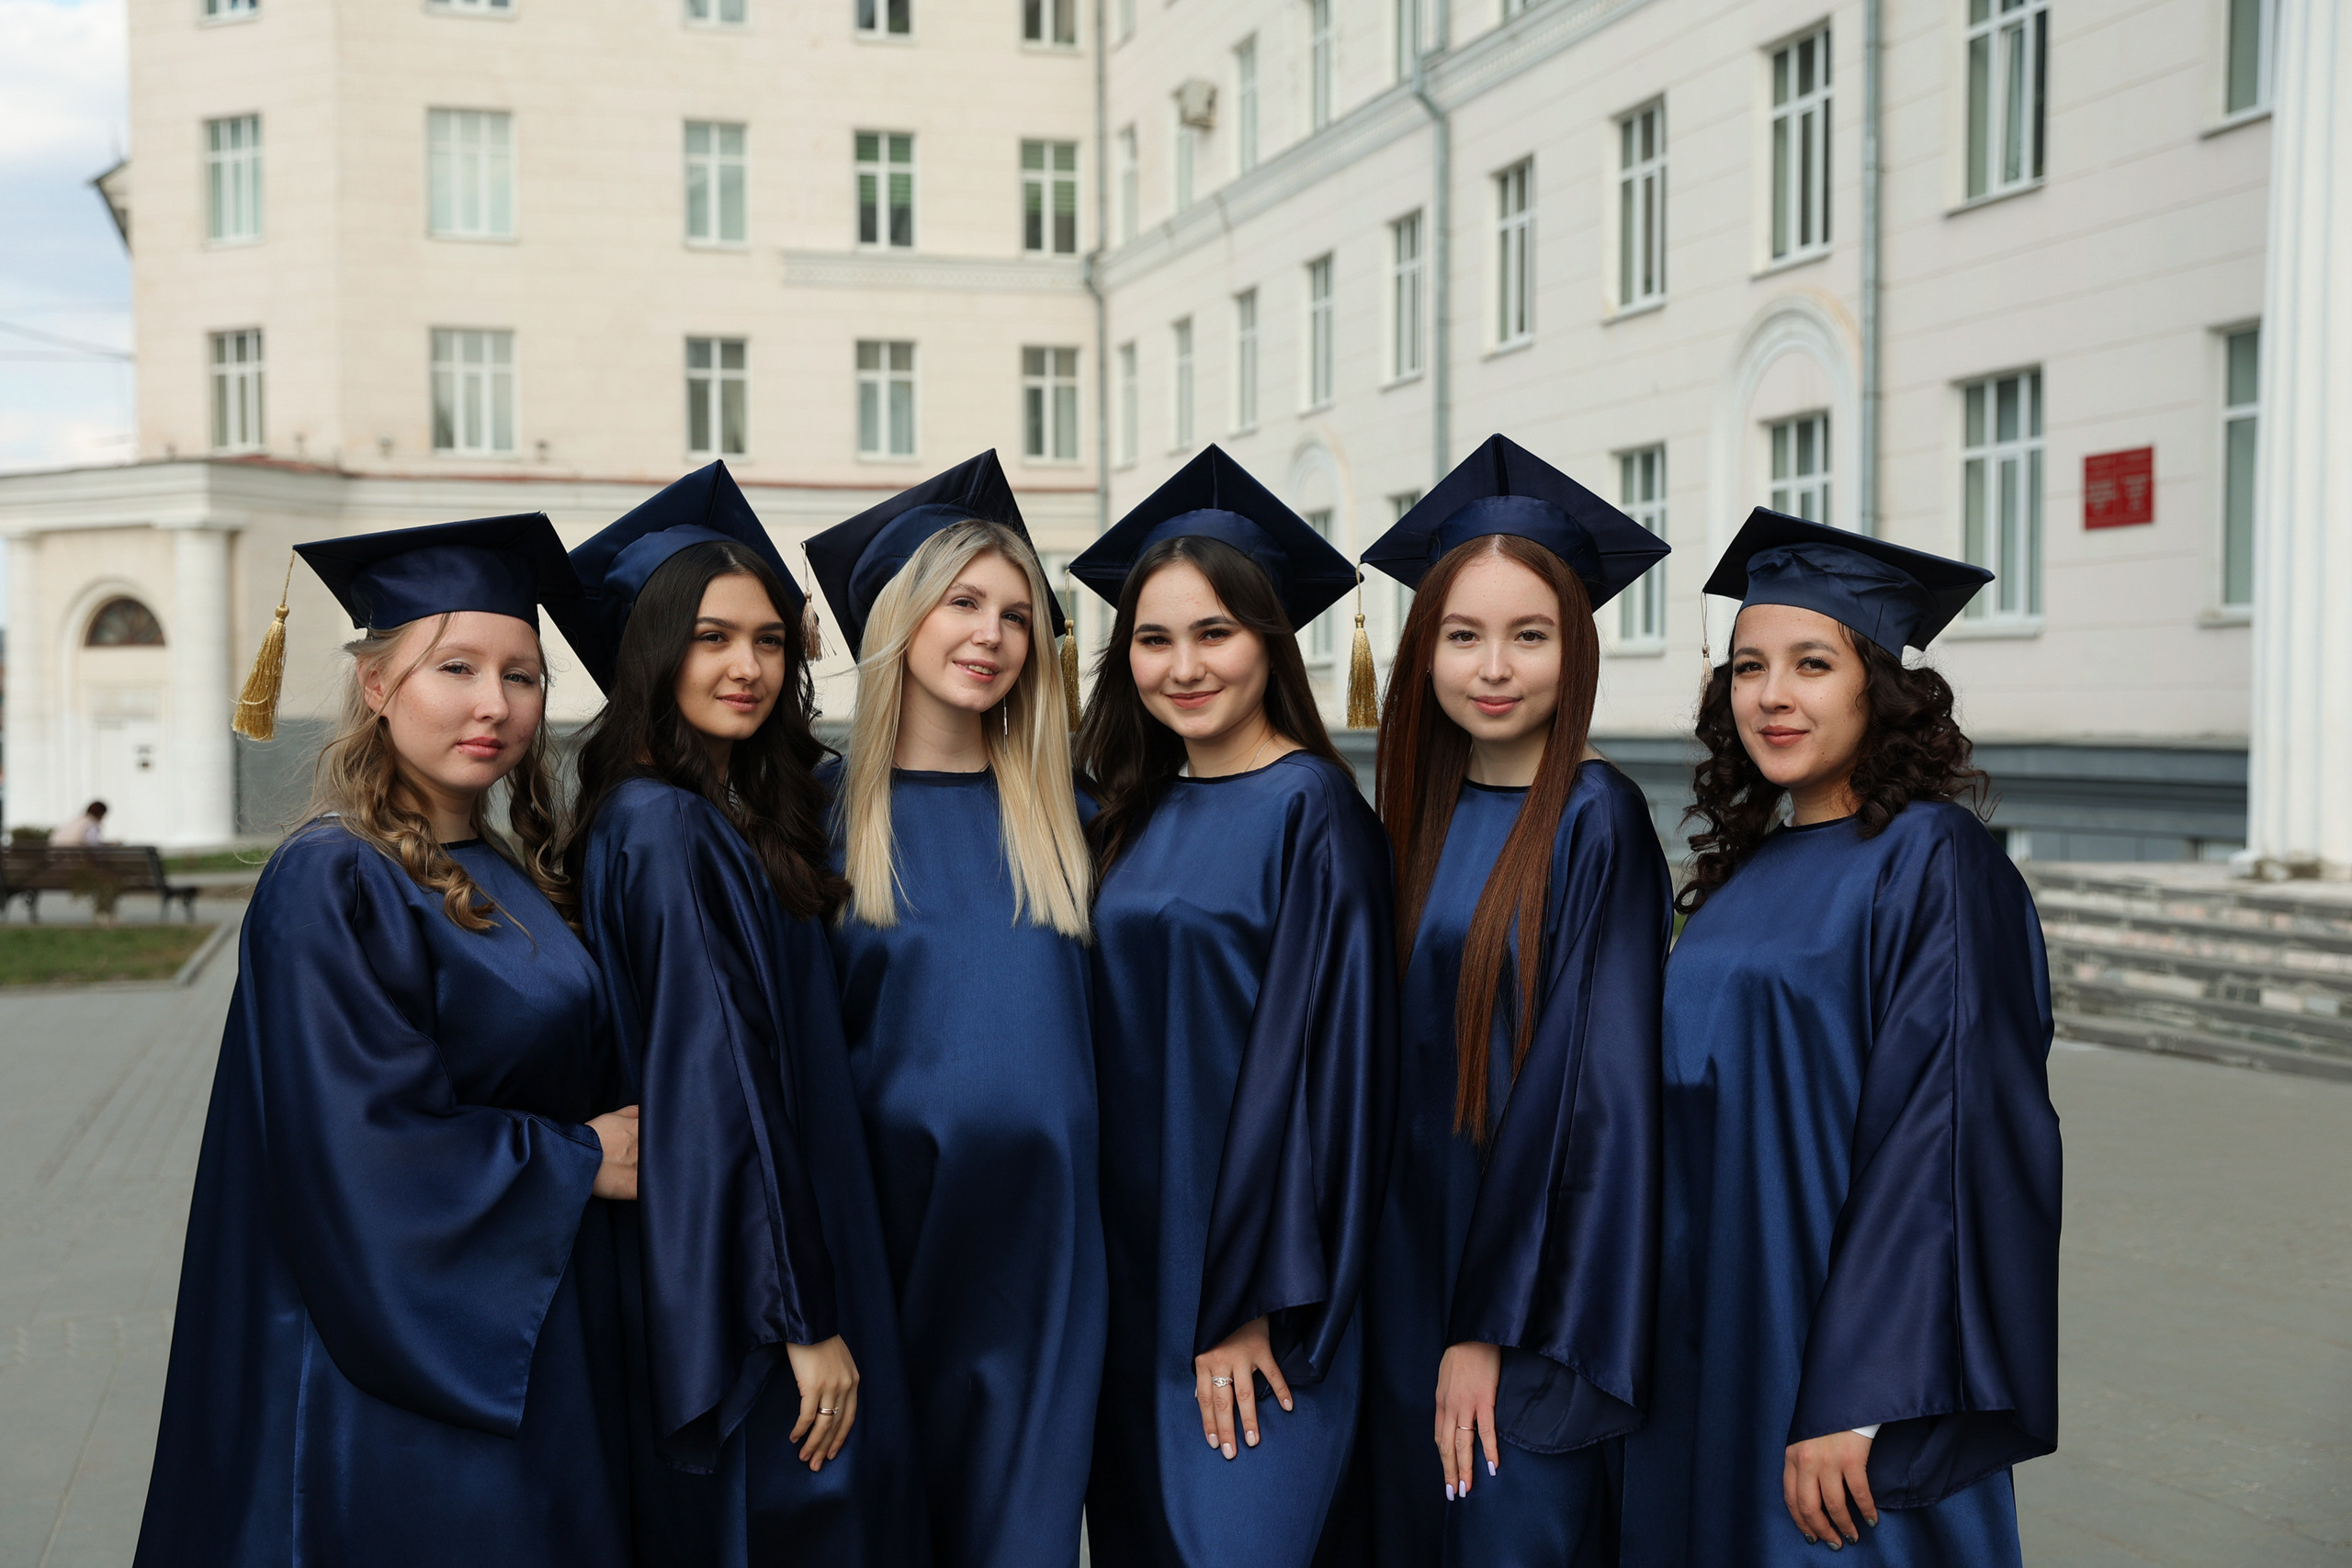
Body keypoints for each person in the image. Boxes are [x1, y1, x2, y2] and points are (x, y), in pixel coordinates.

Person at [136, 514, 639, 1568]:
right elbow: (362, 1153)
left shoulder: (504, 867)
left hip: (527, 1323)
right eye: (456, 667)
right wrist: (579, 1156)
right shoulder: (334, 879)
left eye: (522, 676)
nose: (495, 703)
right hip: (396, 1373)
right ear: (375, 684)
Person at [1619, 509, 2063, 1566]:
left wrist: (1862, 1400)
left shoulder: (1931, 860)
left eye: (1811, 664)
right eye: (1748, 668)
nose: (1772, 695)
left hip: (1842, 1362)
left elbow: (1946, 1136)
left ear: (1880, 686)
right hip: (1714, 1334)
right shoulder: (1741, 875)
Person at [552, 463, 925, 1565]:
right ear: (652, 653)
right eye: (710, 639)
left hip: (758, 1234)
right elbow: (726, 1081)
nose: (748, 667)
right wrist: (800, 1319)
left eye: (768, 640)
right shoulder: (668, 828)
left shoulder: (700, 811)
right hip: (753, 1272)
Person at [1340, 436, 1671, 1566]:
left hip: (1532, 1296)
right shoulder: (1411, 820)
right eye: (1462, 635)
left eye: (1530, 635)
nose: (1494, 667)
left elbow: (1587, 1103)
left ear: (1576, 648)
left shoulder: (1595, 820)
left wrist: (1488, 1329)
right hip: (1401, 1276)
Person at [1069, 445, 1399, 1568]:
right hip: (1133, 1281)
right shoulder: (1134, 810)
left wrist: (1249, 1303)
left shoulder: (1316, 815)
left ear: (1270, 639)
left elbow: (1330, 1085)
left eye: (1214, 633)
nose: (1182, 667)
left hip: (1253, 1292)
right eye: (1153, 639)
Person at [803, 450, 1102, 1568]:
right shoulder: (820, 826)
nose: (992, 634)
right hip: (885, 1241)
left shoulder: (1070, 818)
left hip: (1044, 1252)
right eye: (962, 603)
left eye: (1017, 614)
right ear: (900, 620)